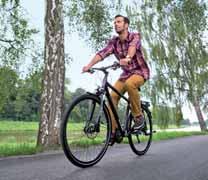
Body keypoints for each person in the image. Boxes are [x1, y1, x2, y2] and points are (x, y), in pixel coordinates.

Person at [82, 14, 150, 144]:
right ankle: (114, 132)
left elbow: (132, 47)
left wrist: (128, 58)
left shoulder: (135, 36)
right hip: (126, 74)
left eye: (119, 22)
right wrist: (89, 66)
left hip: (140, 72)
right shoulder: (114, 42)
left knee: (131, 84)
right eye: (114, 22)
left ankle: (139, 118)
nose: (116, 24)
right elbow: (102, 53)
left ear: (126, 25)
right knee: (112, 96)